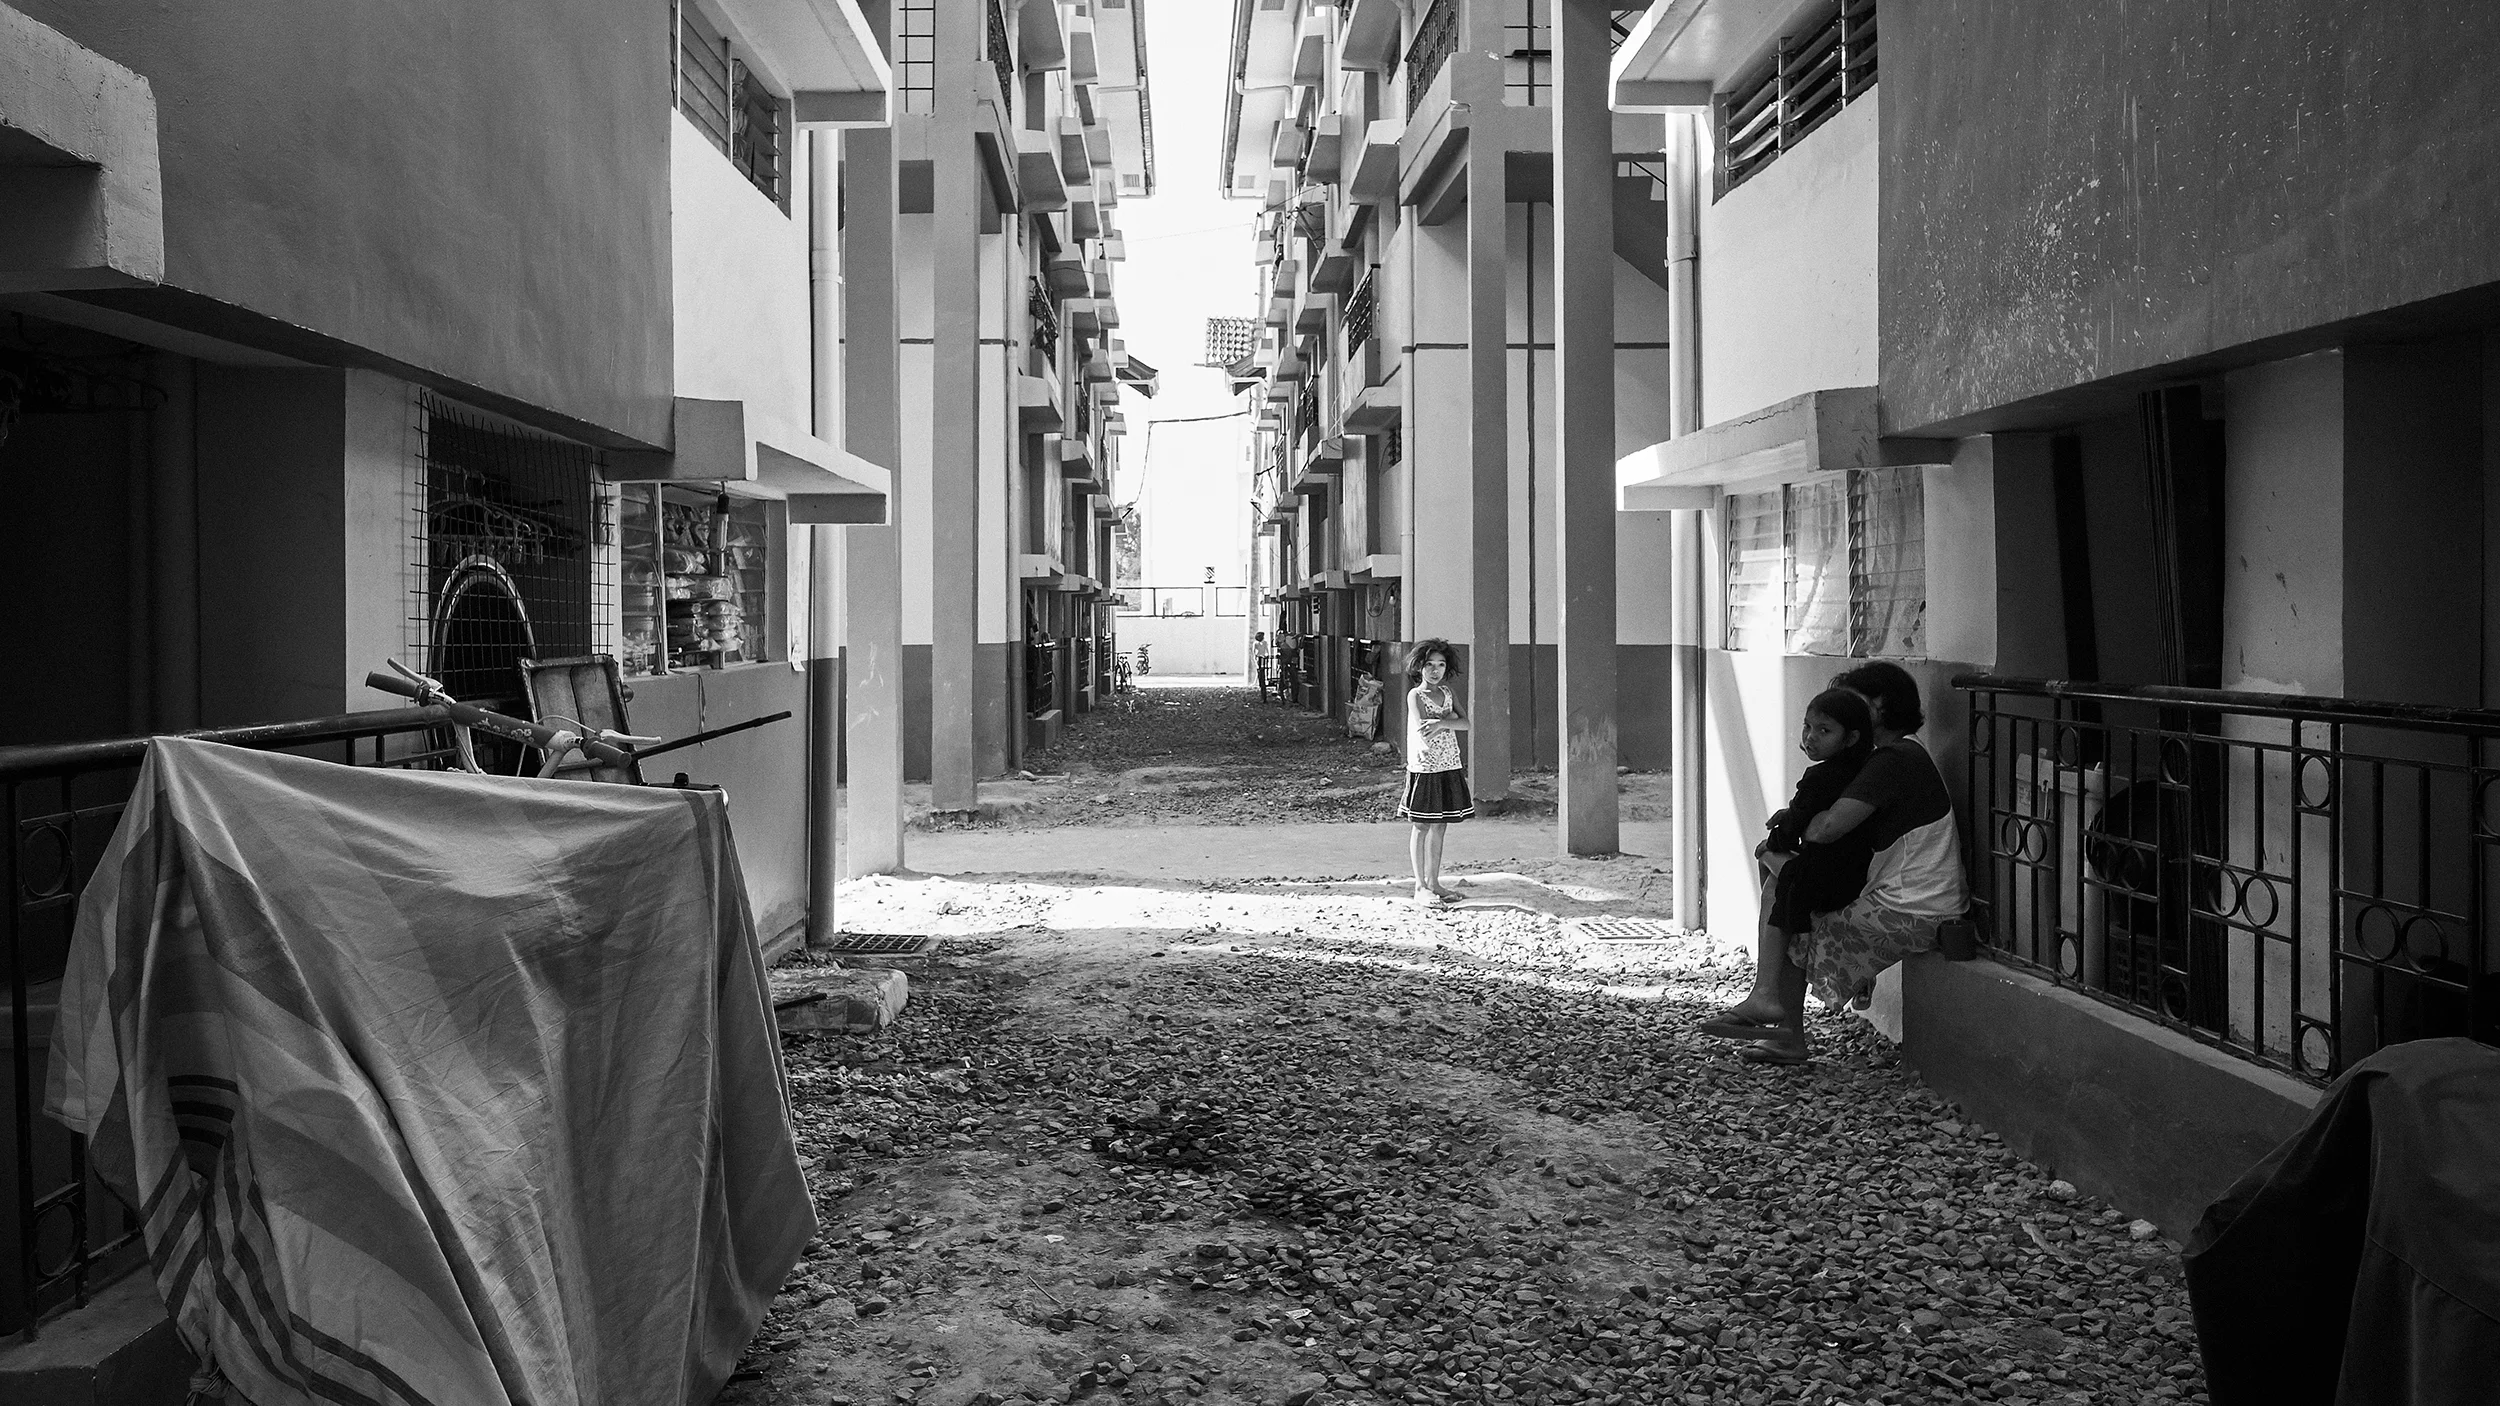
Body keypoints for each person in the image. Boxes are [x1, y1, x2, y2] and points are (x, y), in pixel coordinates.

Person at [1701, 661, 1970, 1064]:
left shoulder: (1893, 760)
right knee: (1788, 885)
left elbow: (1826, 829)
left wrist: (1793, 825)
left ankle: (1776, 1014)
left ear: (1877, 709)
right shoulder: (1896, 756)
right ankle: (1772, 1010)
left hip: (1914, 907)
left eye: (1853, 703)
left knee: (1796, 905)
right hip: (1911, 898)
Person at [1758, 688, 1878, 938]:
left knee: (1764, 855)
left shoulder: (1819, 778)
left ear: (1851, 738)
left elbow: (1787, 834)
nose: (1810, 737)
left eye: (1824, 731)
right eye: (1807, 726)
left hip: (1824, 885)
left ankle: (1781, 951)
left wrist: (1774, 839)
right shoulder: (1866, 770)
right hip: (1858, 877)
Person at [1398, 639, 1472, 905]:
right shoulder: (1415, 695)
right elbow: (1423, 727)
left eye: (1440, 665)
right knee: (1420, 825)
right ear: (1420, 667)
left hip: (1449, 764)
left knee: (1440, 824)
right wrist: (1448, 721)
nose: (1435, 670)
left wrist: (1444, 722)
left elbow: (1466, 723)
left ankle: (1434, 882)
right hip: (1424, 766)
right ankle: (1420, 886)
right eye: (1429, 664)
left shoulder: (1449, 693)